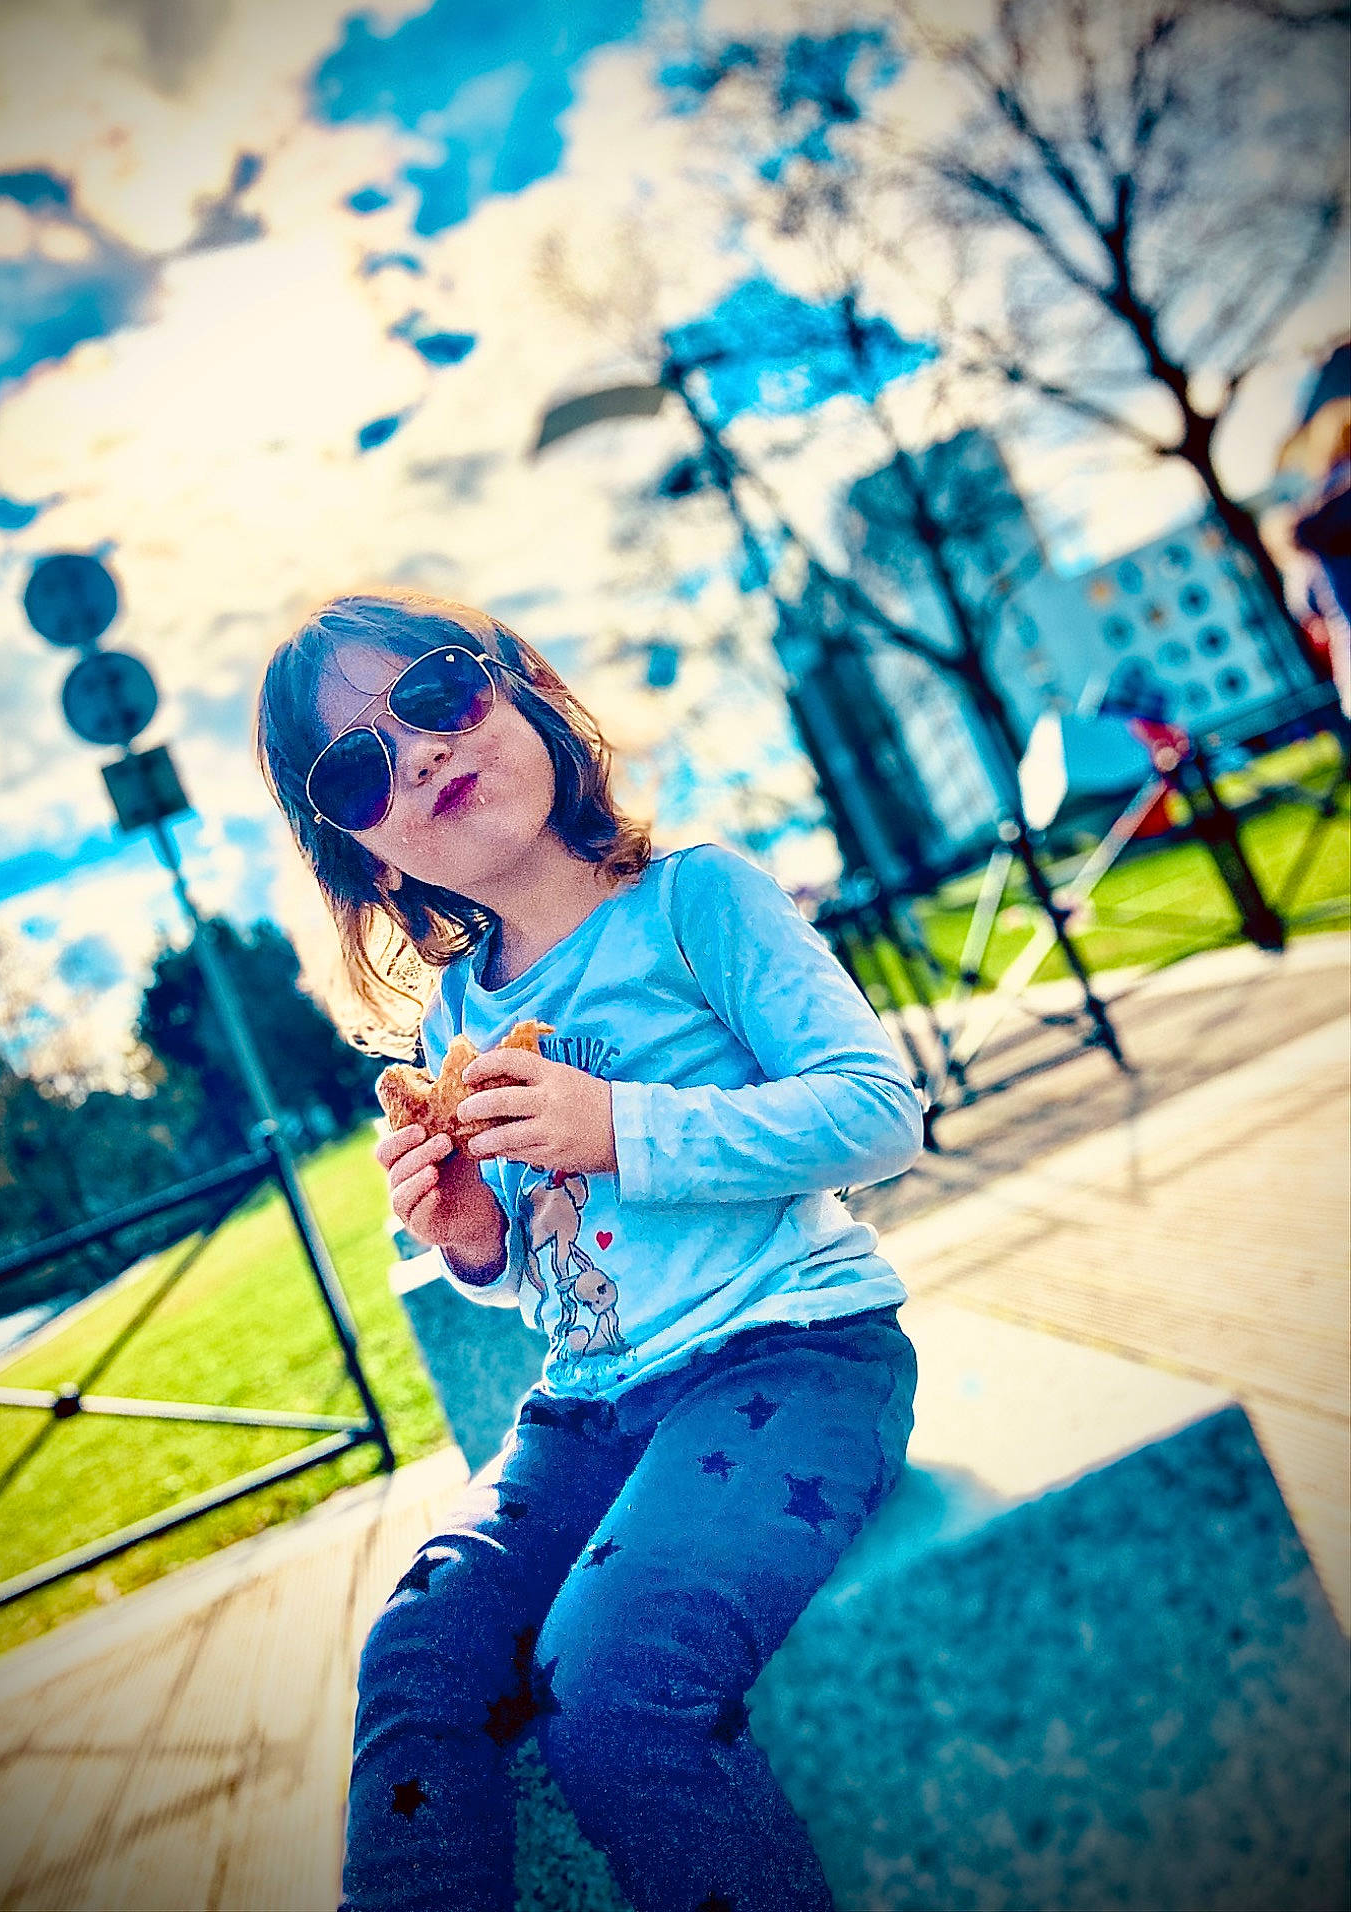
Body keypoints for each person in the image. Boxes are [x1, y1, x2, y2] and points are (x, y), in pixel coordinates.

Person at [256, 589, 923, 1912]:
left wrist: (622, 1126)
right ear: (370, 860)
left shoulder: (697, 903)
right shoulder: (458, 1010)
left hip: (793, 1359)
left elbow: (874, 1112)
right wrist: (475, 1241)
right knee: (413, 1659)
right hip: (587, 1410)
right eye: (357, 767)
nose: (422, 751)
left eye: (439, 693)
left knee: (612, 1687)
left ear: (526, 696)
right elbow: (562, 1272)